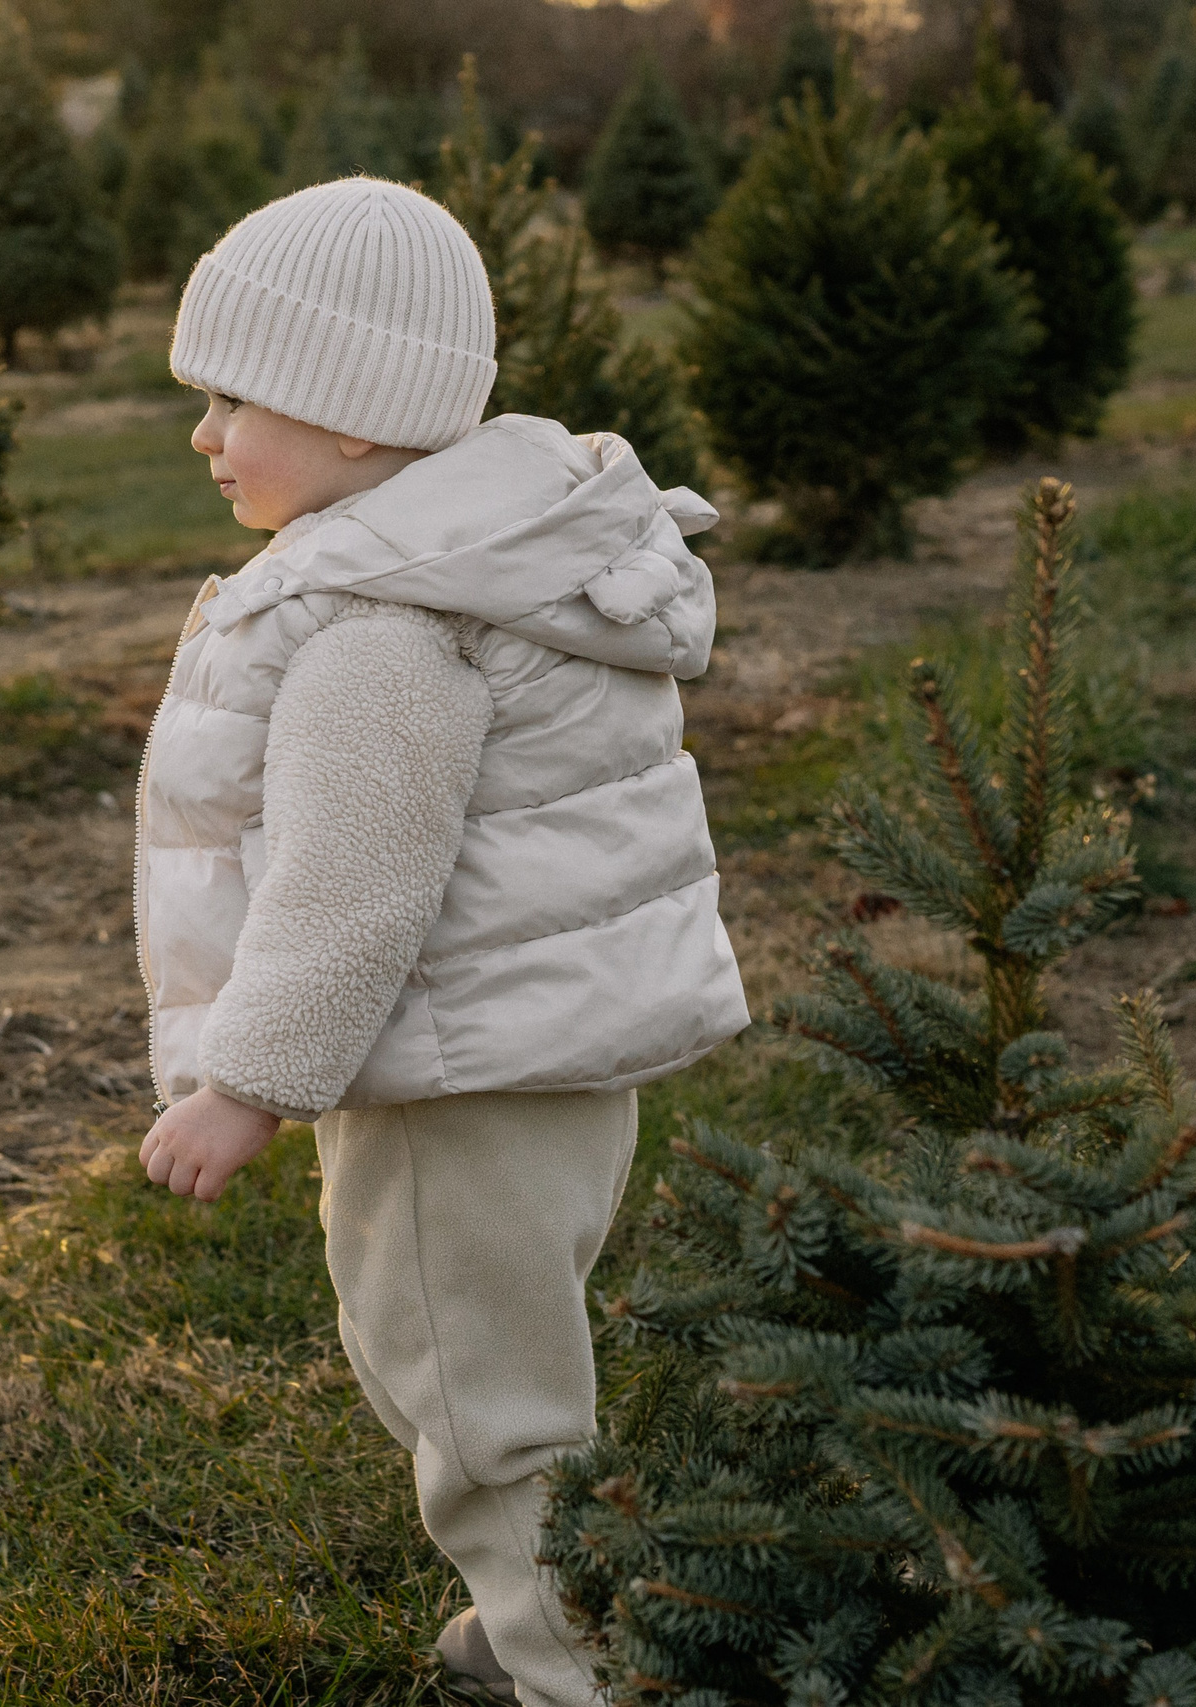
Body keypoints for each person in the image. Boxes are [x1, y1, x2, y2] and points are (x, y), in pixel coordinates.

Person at [132, 176, 746, 1706]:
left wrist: (247, 1081)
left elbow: (356, 891)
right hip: (547, 1052)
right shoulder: (509, 554)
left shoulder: (381, 628)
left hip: (452, 1085)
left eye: (231, 398)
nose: (203, 435)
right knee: (519, 1359)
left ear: (352, 418)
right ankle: (552, 1615)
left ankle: (576, 1671)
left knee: (477, 1405)